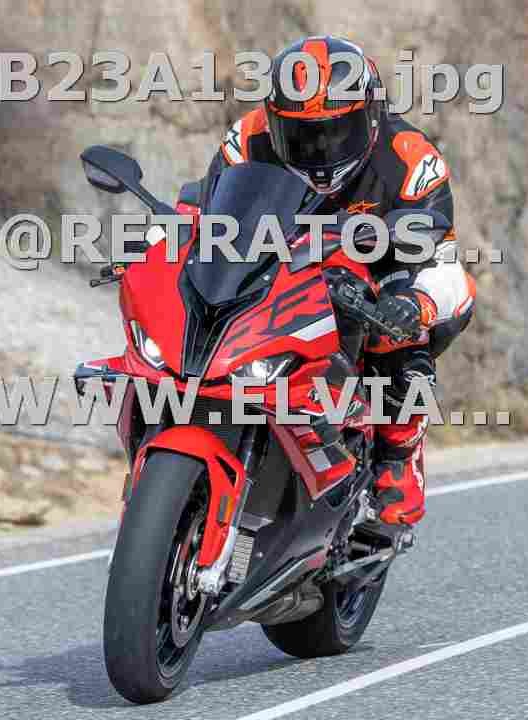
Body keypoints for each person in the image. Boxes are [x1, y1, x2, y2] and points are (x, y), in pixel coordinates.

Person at [178, 36, 475, 525]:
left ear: (372, 116)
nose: (318, 151)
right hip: (274, 270)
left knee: (402, 330)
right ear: (273, 122)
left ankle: (398, 456)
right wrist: (161, 238)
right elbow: (205, 212)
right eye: (299, 136)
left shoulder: (410, 159)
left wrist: (415, 304)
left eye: (336, 134)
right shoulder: (247, 139)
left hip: (372, 277)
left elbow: (444, 263)